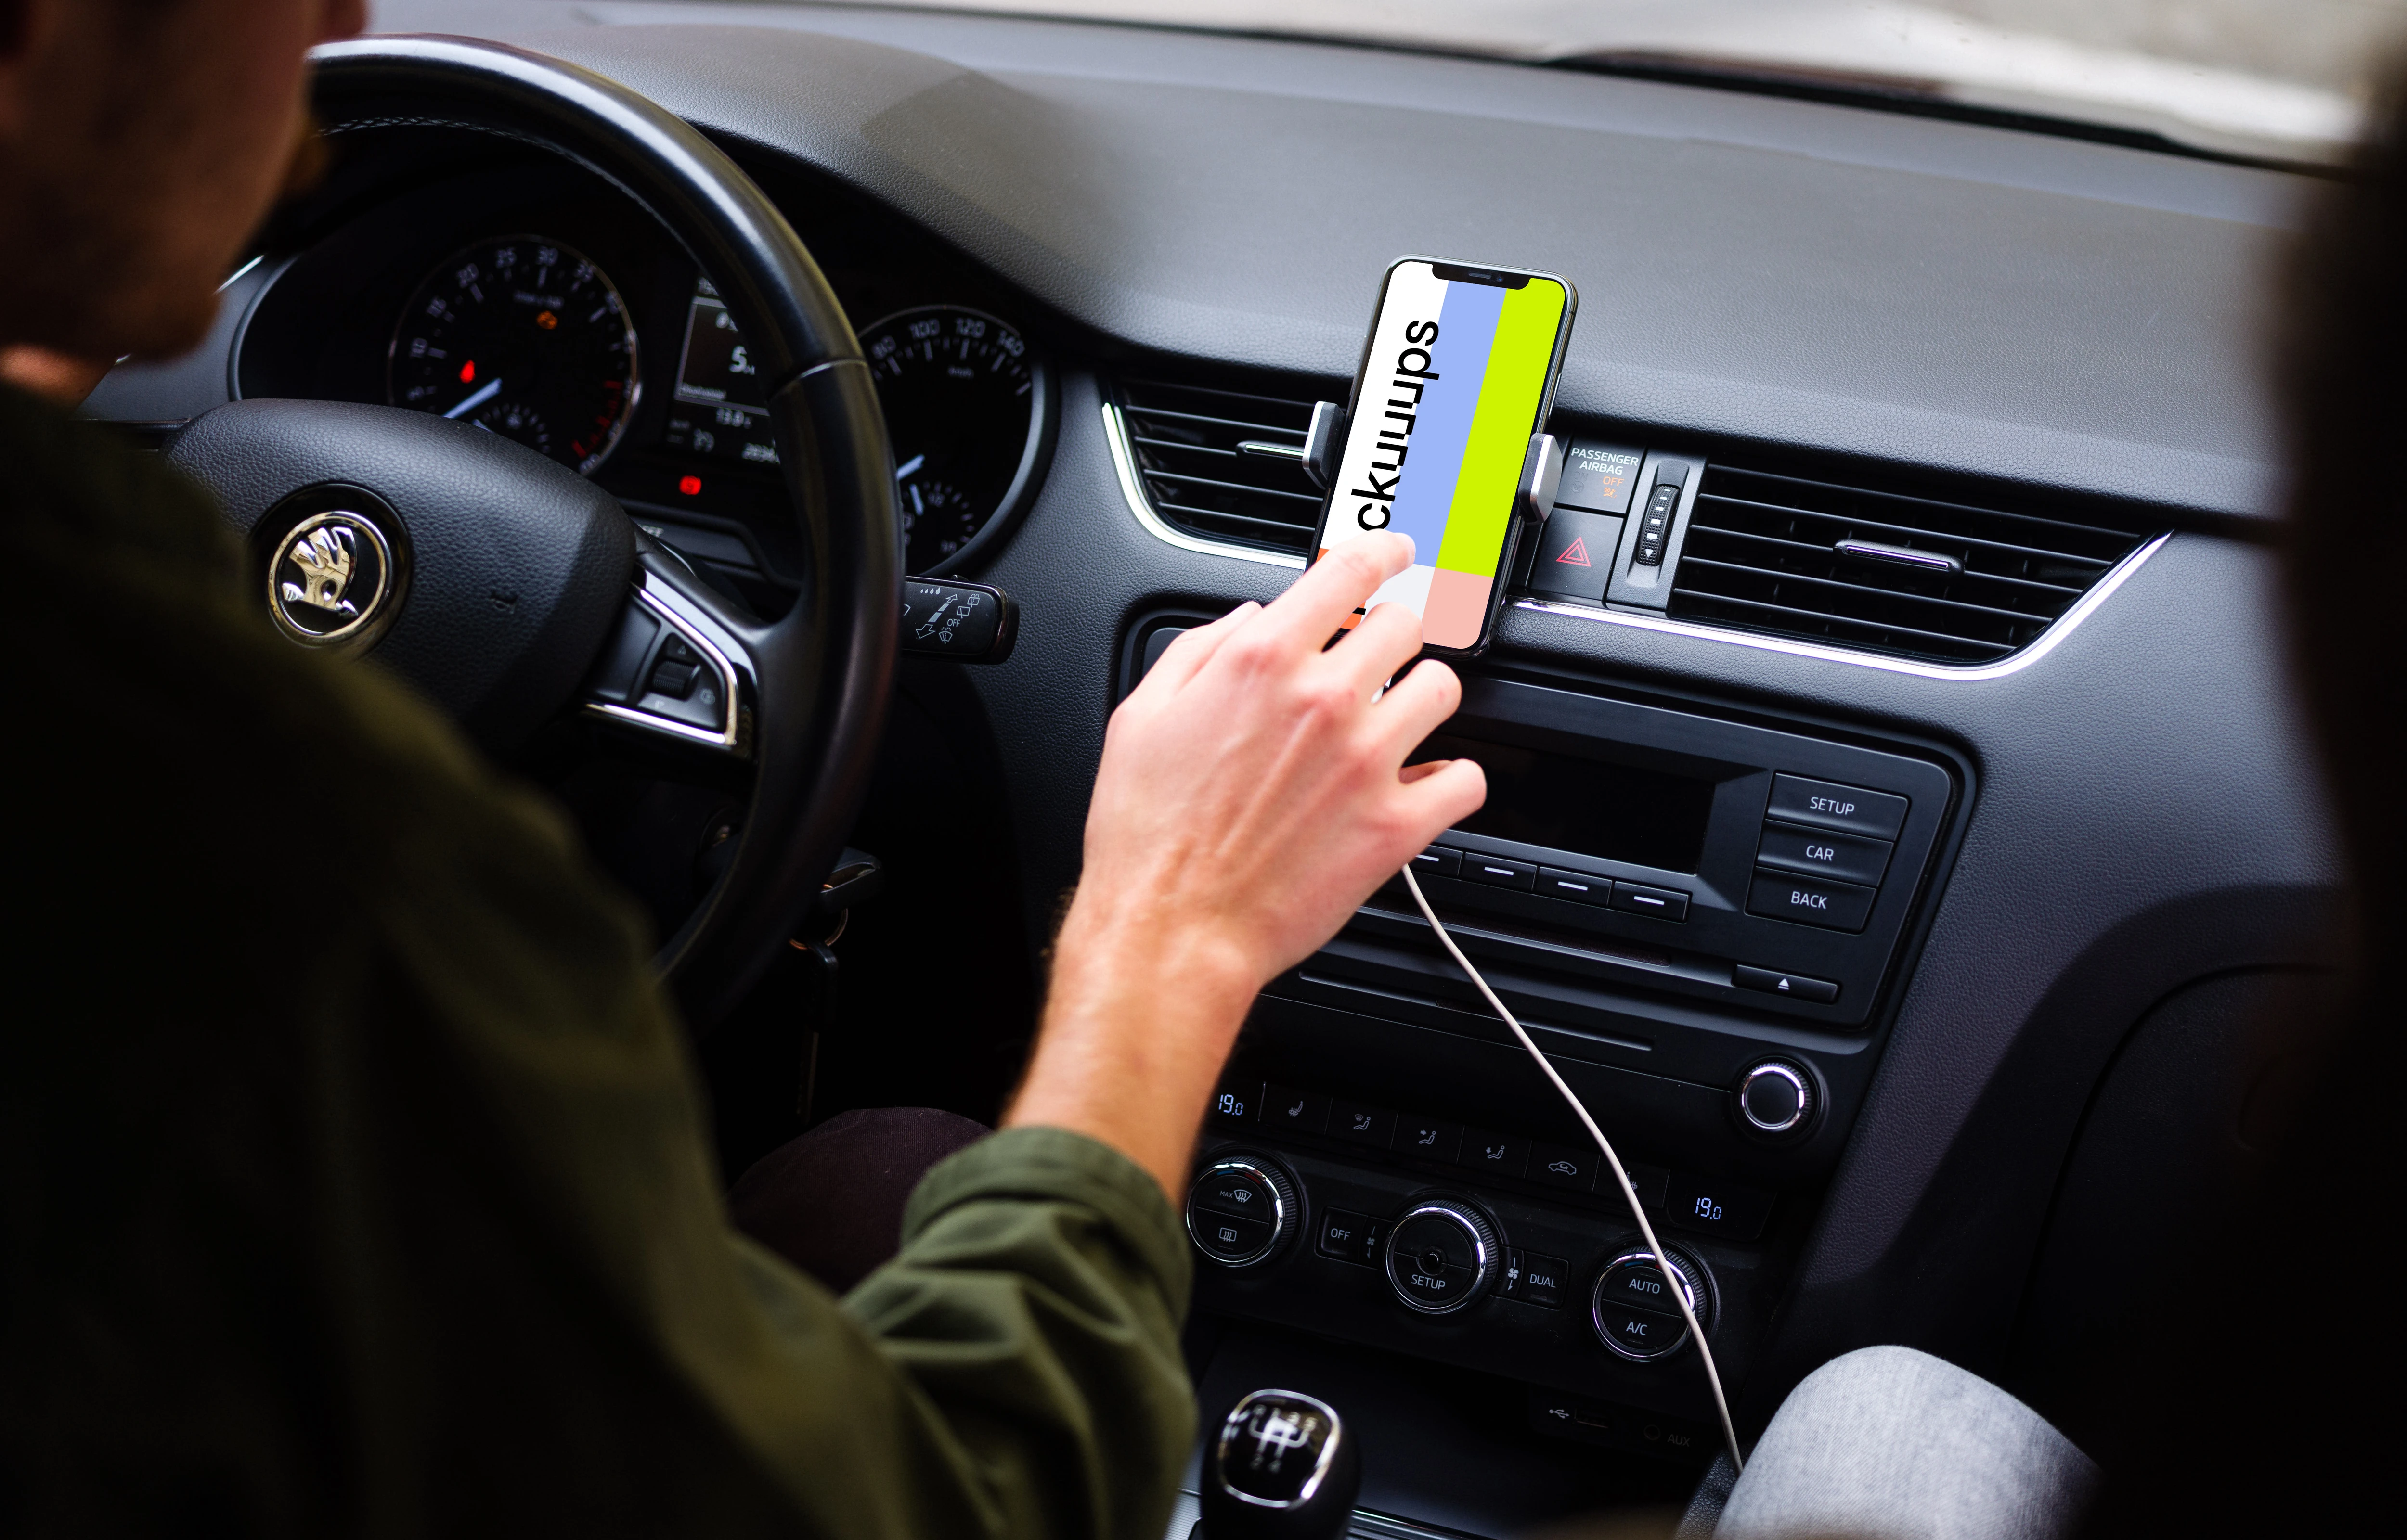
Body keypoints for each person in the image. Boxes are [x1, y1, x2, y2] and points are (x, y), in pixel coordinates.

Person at [0, 1, 1485, 1534]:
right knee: (910, 1175)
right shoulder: (320, 877)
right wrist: (1173, 928)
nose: (340, 19)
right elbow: (951, 1501)